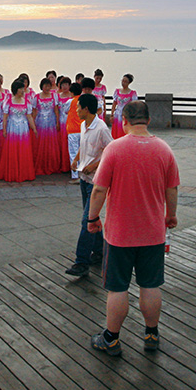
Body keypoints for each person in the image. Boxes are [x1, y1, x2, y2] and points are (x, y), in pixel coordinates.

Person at [86, 100, 178, 355]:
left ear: (124, 121)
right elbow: (172, 189)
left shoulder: (115, 149)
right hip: (153, 233)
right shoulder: (164, 150)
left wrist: (92, 218)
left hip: (120, 235)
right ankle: (151, 334)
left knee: (118, 287)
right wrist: (171, 216)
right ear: (148, 120)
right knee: (150, 285)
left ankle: (112, 339)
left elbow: (99, 190)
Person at [65, 93, 113, 277]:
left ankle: (81, 262)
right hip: (84, 179)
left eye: (78, 107)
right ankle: (99, 251)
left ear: (86, 109)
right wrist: (76, 159)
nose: (76, 110)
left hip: (95, 181)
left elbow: (110, 152)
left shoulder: (101, 128)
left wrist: (94, 165)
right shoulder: (84, 124)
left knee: (87, 220)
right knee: (92, 217)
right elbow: (83, 145)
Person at [0, 79, 37, 182]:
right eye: (20, 89)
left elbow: (29, 116)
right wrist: (4, 129)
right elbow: (5, 116)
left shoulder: (27, 102)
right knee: (12, 150)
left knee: (24, 150)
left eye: (23, 88)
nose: (22, 90)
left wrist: (34, 128)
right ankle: (12, 173)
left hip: (23, 129)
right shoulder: (8, 101)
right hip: (12, 128)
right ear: (15, 89)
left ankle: (23, 173)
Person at [32, 78, 61, 175]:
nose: (47, 88)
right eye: (45, 86)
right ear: (42, 86)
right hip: (40, 123)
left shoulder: (54, 96)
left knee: (51, 144)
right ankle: (41, 165)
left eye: (49, 86)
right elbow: (34, 111)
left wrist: (57, 122)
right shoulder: (36, 97)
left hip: (51, 123)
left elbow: (56, 110)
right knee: (40, 144)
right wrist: (33, 124)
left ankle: (51, 165)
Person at [110, 74, 137, 139]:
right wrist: (112, 114)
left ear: (129, 83)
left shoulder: (132, 93)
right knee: (116, 133)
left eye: (125, 81)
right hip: (117, 115)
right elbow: (114, 104)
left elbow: (134, 106)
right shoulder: (117, 91)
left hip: (126, 115)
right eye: (122, 81)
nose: (123, 83)